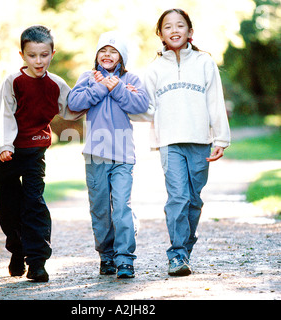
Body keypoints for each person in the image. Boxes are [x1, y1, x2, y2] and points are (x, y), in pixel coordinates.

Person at [0, 25, 84, 282]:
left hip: (35, 148)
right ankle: (17, 249)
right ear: (22, 55)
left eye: (44, 55)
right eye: (32, 55)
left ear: (52, 53)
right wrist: (6, 145)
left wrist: (96, 95)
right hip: (6, 151)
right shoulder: (13, 81)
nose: (39, 61)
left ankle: (37, 262)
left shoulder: (56, 84)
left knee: (34, 202)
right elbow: (4, 115)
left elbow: (72, 108)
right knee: (8, 207)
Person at [143, 9, 231, 276]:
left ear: (190, 32)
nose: (174, 30)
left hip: (200, 140)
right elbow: (146, 107)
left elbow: (215, 101)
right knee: (178, 197)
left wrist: (221, 138)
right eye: (167, 26)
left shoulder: (205, 62)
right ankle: (177, 254)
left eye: (180, 25)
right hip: (170, 142)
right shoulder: (154, 68)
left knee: (193, 199)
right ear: (160, 34)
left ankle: (185, 250)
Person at [68, 31, 149, 278]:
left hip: (123, 155)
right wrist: (100, 87)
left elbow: (140, 105)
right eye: (103, 50)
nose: (107, 54)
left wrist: (118, 89)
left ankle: (125, 259)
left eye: (113, 51)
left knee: (122, 208)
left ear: (122, 57)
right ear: (96, 55)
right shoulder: (88, 77)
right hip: (95, 155)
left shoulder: (131, 78)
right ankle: (106, 256)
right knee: (100, 208)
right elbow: (74, 102)